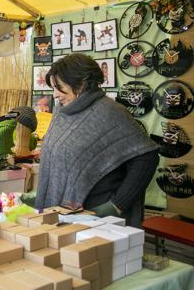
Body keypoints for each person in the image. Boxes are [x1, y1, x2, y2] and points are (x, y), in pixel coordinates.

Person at [35, 54, 158, 227]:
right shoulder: (61, 112)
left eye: (60, 87)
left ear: (82, 83)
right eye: (53, 87)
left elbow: (147, 157)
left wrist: (117, 204)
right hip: (63, 209)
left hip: (96, 214)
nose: (55, 94)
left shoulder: (111, 113)